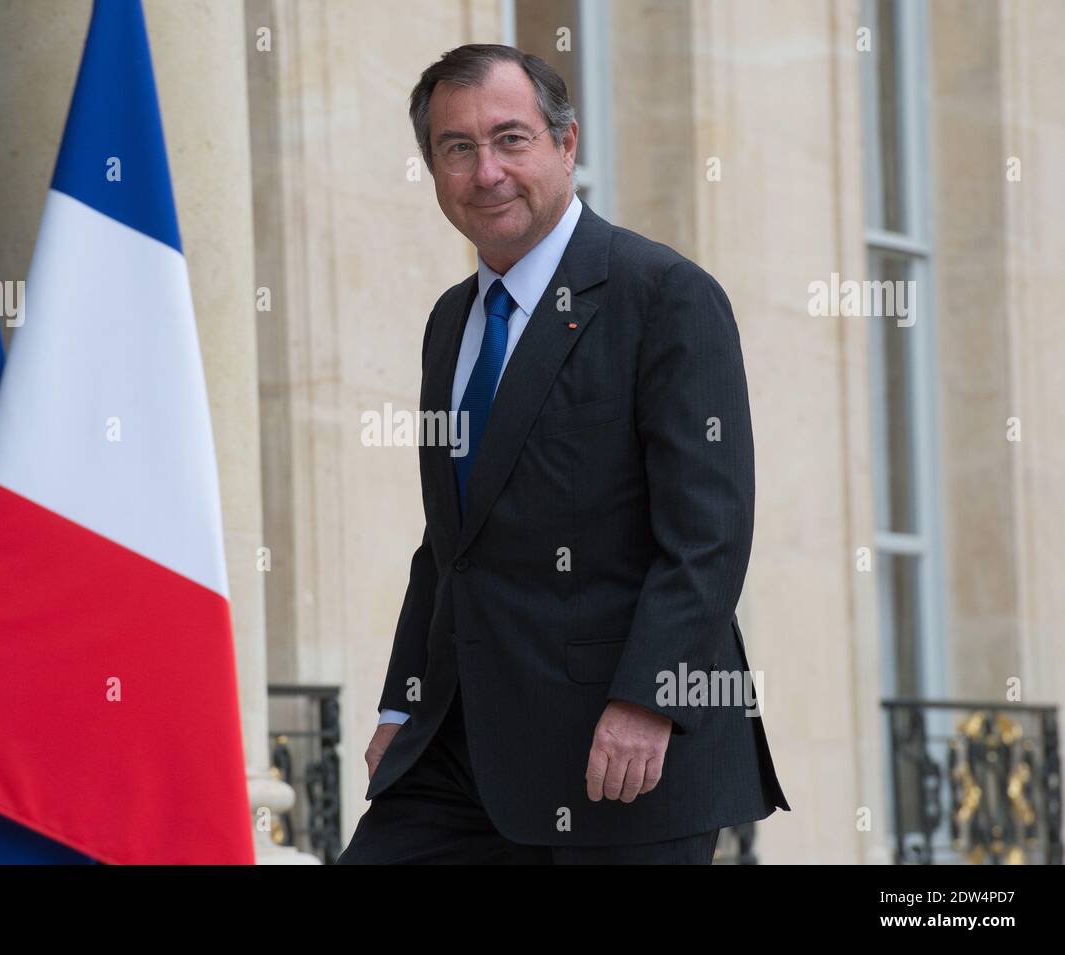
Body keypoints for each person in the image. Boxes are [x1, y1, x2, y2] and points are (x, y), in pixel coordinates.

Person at [338, 44, 789, 865]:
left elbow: (709, 532)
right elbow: (450, 547)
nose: (488, 172)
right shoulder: (452, 321)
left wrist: (649, 699)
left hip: (617, 754)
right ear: (433, 169)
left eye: (511, 139)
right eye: (457, 148)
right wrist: (403, 705)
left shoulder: (664, 295)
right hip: (458, 750)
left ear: (567, 144)